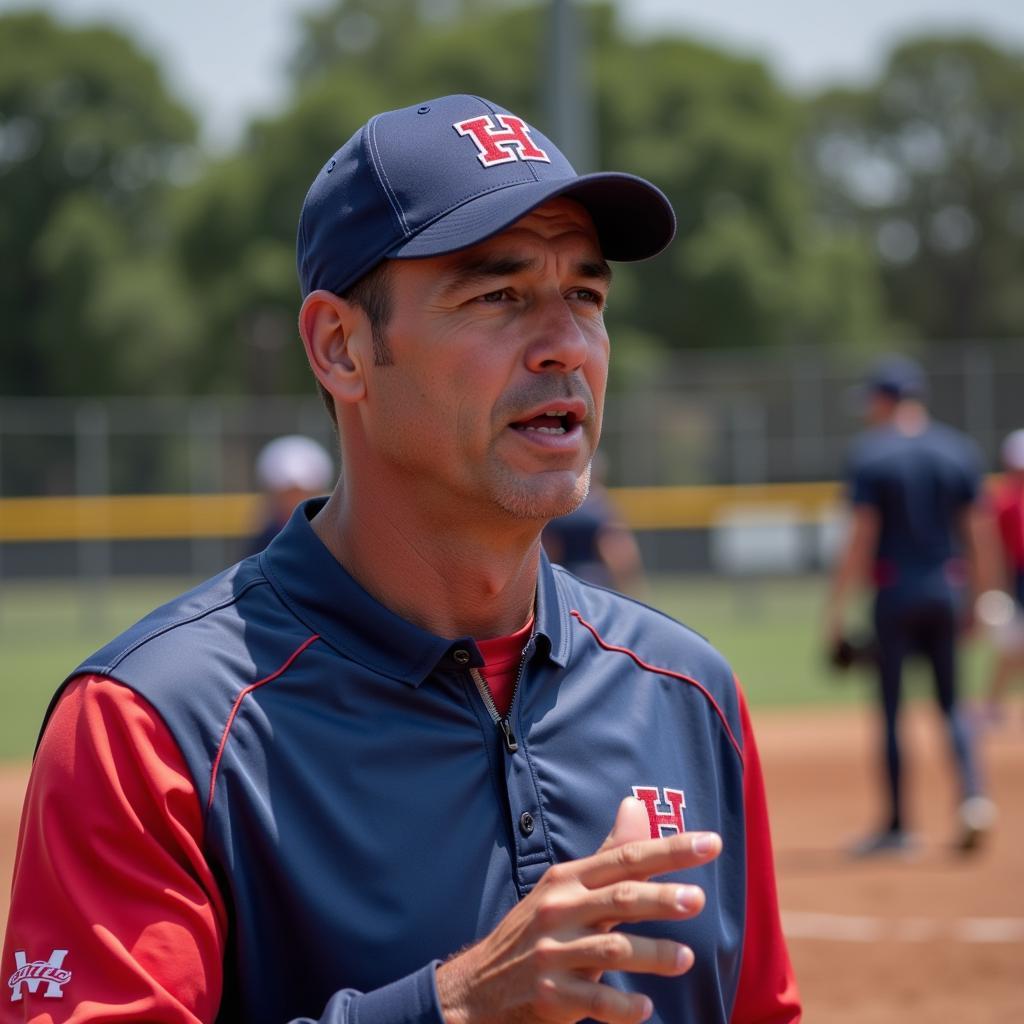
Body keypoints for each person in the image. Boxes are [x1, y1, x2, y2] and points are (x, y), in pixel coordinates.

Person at [3, 95, 800, 1024]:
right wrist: (446, 1007)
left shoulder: (688, 693)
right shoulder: (153, 728)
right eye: (498, 295)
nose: (566, 346)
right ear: (341, 348)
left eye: (585, 295)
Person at [825, 355, 997, 856]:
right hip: (947, 589)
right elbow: (978, 532)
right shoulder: (957, 450)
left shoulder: (872, 455)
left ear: (885, 399)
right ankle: (974, 797)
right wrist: (981, 597)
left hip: (894, 593)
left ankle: (899, 826)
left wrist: (836, 608)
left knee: (893, 709)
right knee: (950, 704)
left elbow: (862, 535)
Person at [542, 452, 645, 595]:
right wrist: (629, 586)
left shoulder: (557, 503)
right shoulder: (602, 505)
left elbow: (549, 549)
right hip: (595, 580)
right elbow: (614, 549)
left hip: (563, 577)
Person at [979, 428, 1024, 722]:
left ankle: (992, 704)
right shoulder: (1004, 499)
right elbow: (993, 547)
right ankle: (992, 705)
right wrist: (995, 586)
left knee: (1014, 647)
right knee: (1013, 646)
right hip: (1019, 578)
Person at [249, 434, 335, 553]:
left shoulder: (334, 543)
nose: (294, 502)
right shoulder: (262, 544)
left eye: (303, 493)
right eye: (287, 494)